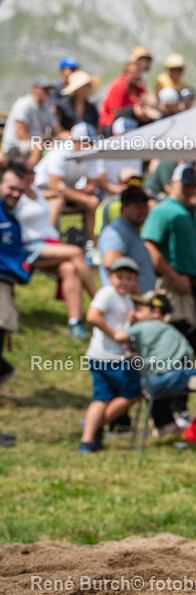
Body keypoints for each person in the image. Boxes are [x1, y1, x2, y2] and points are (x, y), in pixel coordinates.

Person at [16, 163, 97, 339]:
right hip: (30, 247)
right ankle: (98, 303)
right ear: (22, 174)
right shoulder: (15, 195)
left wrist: (57, 193)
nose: (35, 172)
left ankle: (74, 322)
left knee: (69, 268)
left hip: (48, 245)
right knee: (76, 252)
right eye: (30, 170)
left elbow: (49, 195)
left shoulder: (35, 191)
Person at [142, 163, 196, 351]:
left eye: (193, 185)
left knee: (192, 342)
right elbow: (150, 245)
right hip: (175, 286)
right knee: (174, 341)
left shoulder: (194, 212)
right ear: (173, 182)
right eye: (185, 184)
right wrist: (174, 277)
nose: (189, 189)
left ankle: (187, 378)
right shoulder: (162, 210)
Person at [79, 257, 143, 453]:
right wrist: (114, 334)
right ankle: (93, 425)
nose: (124, 282)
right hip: (111, 358)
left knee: (102, 398)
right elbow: (92, 316)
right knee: (133, 393)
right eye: (120, 277)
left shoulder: (124, 298)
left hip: (102, 357)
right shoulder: (107, 293)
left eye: (130, 278)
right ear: (110, 277)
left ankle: (89, 439)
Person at [126, 290, 196, 398]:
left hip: (148, 382)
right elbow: (188, 355)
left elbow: (121, 337)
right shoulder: (172, 332)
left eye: (139, 310)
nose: (135, 314)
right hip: (173, 377)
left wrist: (131, 324)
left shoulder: (140, 328)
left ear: (156, 312)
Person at [33, 122, 104, 241]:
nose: (90, 145)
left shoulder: (91, 155)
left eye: (92, 142)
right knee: (59, 202)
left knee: (91, 202)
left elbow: (91, 188)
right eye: (87, 142)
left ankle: (93, 243)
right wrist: (84, 198)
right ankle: (51, 241)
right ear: (75, 141)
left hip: (63, 192)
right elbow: (55, 187)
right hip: (40, 191)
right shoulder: (59, 153)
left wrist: (67, 191)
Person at [1, 165, 31, 414]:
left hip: (8, 285)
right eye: (11, 187)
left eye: (20, 190)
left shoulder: (12, 219)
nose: (16, 193)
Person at [99, 185, 156, 294]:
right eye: (138, 206)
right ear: (124, 207)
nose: (143, 210)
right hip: (125, 307)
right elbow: (112, 263)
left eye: (145, 206)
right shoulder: (115, 232)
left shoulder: (132, 230)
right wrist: (141, 300)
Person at [1, 78, 55, 169]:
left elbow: (57, 129)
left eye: (48, 89)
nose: (47, 91)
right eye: (44, 88)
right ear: (34, 89)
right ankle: (30, 174)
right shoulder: (24, 104)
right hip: (15, 145)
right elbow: (21, 135)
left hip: (32, 143)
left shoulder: (46, 108)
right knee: (38, 145)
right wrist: (44, 144)